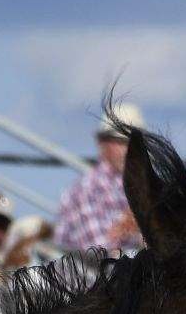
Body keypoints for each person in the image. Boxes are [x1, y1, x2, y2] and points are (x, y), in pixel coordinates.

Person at [56, 103, 145, 255]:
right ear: (102, 144)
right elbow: (95, 255)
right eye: (120, 141)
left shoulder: (139, 186)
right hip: (89, 276)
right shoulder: (86, 189)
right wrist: (126, 226)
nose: (128, 149)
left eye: (134, 143)